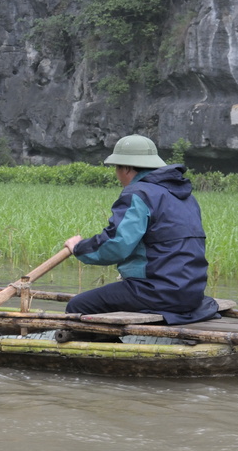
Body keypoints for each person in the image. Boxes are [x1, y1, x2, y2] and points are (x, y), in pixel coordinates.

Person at [63, 134, 218, 324]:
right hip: (192, 292)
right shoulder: (184, 196)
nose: (117, 175)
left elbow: (117, 244)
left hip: (157, 290)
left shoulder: (139, 193)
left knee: (77, 307)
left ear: (126, 168)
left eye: (116, 168)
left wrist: (78, 248)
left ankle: (102, 351)